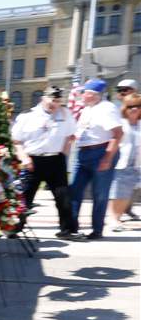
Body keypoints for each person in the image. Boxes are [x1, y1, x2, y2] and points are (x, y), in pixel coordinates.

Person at [10, 86, 77, 238]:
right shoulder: (28, 116)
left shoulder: (65, 115)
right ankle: (14, 228)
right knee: (25, 197)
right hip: (33, 160)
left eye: (57, 101)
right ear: (43, 99)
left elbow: (70, 136)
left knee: (63, 197)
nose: (54, 104)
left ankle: (67, 230)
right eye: (51, 100)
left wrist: (64, 154)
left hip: (56, 160)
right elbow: (16, 141)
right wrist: (24, 158)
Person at [70, 79, 123, 240]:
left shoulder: (107, 109)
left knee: (99, 193)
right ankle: (71, 228)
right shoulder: (87, 109)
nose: (81, 95)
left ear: (94, 94)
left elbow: (118, 134)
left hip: (101, 152)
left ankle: (97, 230)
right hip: (83, 153)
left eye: (84, 92)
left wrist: (107, 158)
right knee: (74, 190)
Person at [107, 94, 141, 232]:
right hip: (121, 163)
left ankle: (117, 217)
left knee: (127, 194)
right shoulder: (120, 123)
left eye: (137, 106)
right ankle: (113, 219)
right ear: (125, 108)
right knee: (118, 193)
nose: (134, 109)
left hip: (137, 165)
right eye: (130, 106)